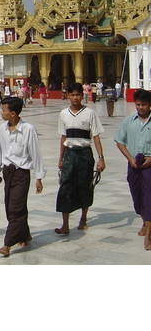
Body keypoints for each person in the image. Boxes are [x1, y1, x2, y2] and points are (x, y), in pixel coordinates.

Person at [0, 96, 46, 257]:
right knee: (10, 205)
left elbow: (36, 154)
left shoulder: (28, 129)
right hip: (8, 172)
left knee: (16, 207)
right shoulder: (2, 129)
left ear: (13, 113)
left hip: (22, 172)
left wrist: (39, 177)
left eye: (4, 110)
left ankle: (7, 244)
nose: (1, 113)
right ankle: (24, 234)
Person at [55, 82, 105, 235]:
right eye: (72, 95)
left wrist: (101, 158)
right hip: (70, 152)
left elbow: (95, 136)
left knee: (85, 185)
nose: (75, 97)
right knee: (65, 186)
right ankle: (65, 224)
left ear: (81, 95)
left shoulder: (90, 113)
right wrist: (61, 158)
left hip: (85, 153)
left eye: (78, 94)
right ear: (68, 96)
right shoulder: (64, 114)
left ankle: (83, 219)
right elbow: (63, 136)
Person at [114, 88, 151, 251]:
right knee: (137, 197)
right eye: (138, 105)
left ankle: (148, 237)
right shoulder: (128, 121)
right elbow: (120, 141)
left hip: (150, 166)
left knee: (149, 199)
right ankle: (145, 222)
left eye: (144, 105)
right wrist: (129, 159)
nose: (141, 108)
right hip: (134, 165)